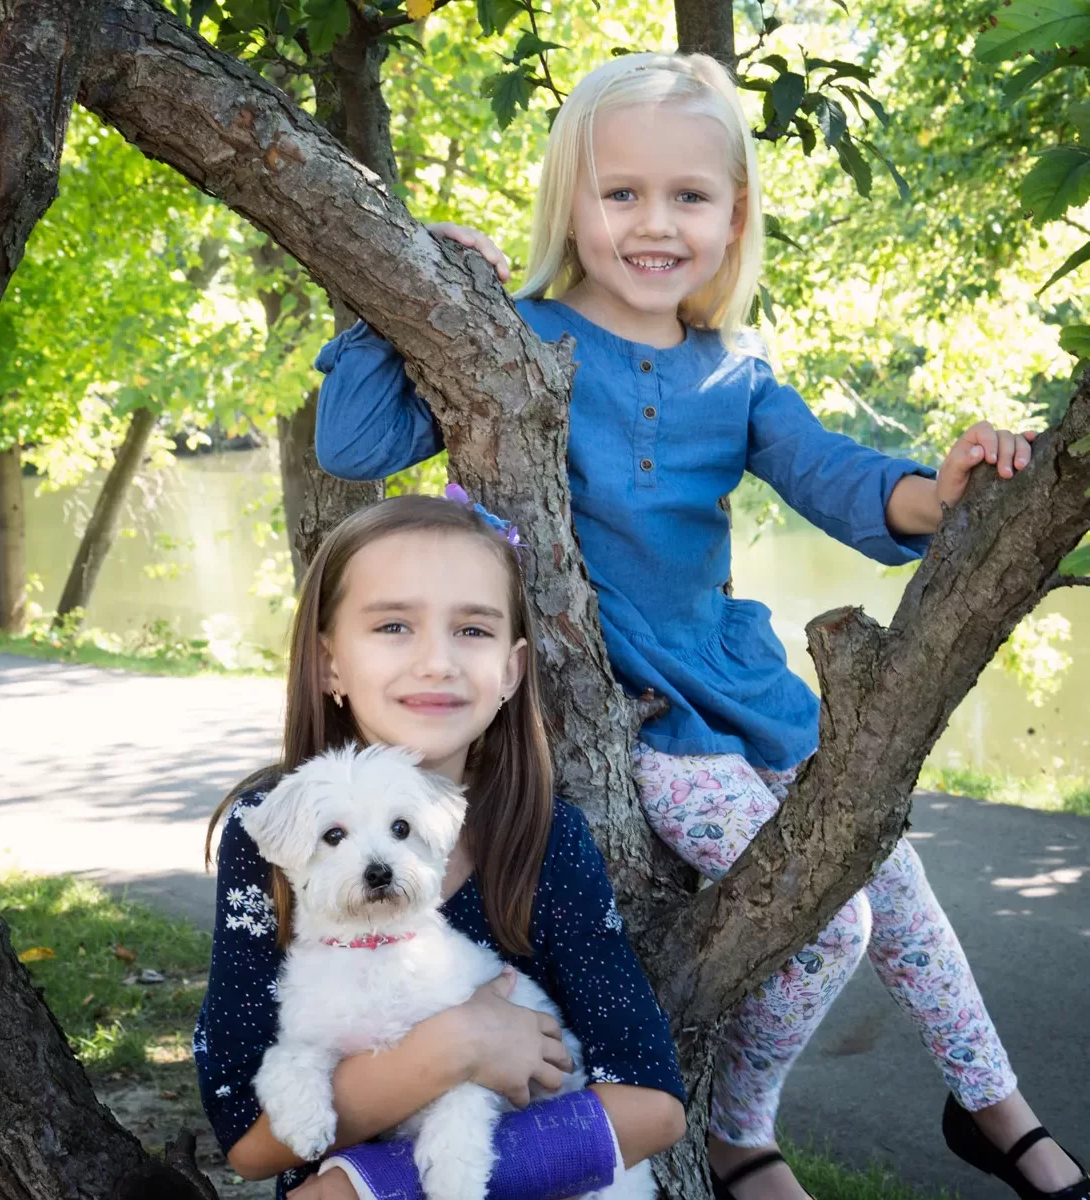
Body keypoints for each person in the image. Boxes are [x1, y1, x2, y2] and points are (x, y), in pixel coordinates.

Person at [310, 51, 1088, 1200]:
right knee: (830, 925)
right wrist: (420, 286)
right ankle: (739, 1134)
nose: (654, 224)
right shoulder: (512, 334)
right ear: (570, 204)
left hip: (743, 691)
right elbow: (353, 442)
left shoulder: (738, 376)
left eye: (690, 196)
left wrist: (949, 484)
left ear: (734, 217)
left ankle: (1001, 1117)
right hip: (641, 715)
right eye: (621, 194)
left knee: (895, 886)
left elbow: (846, 483)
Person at [193, 494, 687, 1200]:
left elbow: (654, 1107)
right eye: (394, 625)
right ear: (329, 662)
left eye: (472, 630)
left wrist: (358, 1190)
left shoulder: (547, 840)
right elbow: (247, 1137)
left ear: (513, 671)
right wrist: (455, 1048)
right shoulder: (269, 830)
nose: (436, 661)